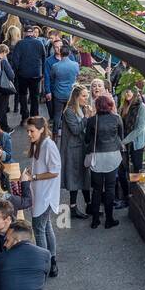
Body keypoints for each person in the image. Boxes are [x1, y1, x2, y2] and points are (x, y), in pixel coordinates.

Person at [25, 117, 62, 276]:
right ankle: (51, 263)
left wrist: (33, 177)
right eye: (28, 130)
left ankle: (45, 265)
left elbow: (54, 171)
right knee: (46, 227)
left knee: (39, 229)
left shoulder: (48, 145)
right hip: (41, 193)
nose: (28, 134)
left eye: (31, 131)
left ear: (41, 129)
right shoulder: (39, 144)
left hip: (45, 195)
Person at [82, 93, 124, 229]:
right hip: (113, 156)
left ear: (97, 106)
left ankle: (95, 220)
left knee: (97, 189)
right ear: (110, 105)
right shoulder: (117, 118)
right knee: (111, 187)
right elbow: (120, 137)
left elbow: (87, 139)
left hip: (97, 157)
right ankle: (109, 219)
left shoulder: (92, 120)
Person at [59, 85, 92, 219]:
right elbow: (76, 130)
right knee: (74, 178)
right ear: (76, 97)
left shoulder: (83, 108)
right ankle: (73, 208)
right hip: (72, 150)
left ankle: (89, 205)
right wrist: (87, 117)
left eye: (86, 95)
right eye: (84, 96)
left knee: (84, 176)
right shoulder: (69, 111)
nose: (86, 98)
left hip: (82, 147)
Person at [118, 87, 145, 207]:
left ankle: (138, 197)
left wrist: (124, 141)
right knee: (122, 170)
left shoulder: (141, 107)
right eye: (125, 90)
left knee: (137, 168)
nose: (127, 93)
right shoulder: (123, 106)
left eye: (129, 90)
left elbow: (139, 129)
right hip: (124, 141)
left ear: (135, 92)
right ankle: (126, 197)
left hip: (136, 142)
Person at [11, 26, 47, 121]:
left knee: (23, 95)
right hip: (36, 74)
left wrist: (17, 71)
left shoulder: (20, 44)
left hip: (22, 74)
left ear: (24, 33)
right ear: (32, 33)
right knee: (34, 96)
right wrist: (42, 72)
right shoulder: (39, 43)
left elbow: (15, 60)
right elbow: (44, 58)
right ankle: (34, 116)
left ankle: (24, 115)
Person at [44, 44, 79, 134]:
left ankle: (55, 132)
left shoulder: (55, 66)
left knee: (57, 114)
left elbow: (52, 77)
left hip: (59, 93)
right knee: (71, 113)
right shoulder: (75, 65)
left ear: (61, 53)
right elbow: (77, 75)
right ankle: (68, 132)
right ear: (69, 53)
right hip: (70, 94)